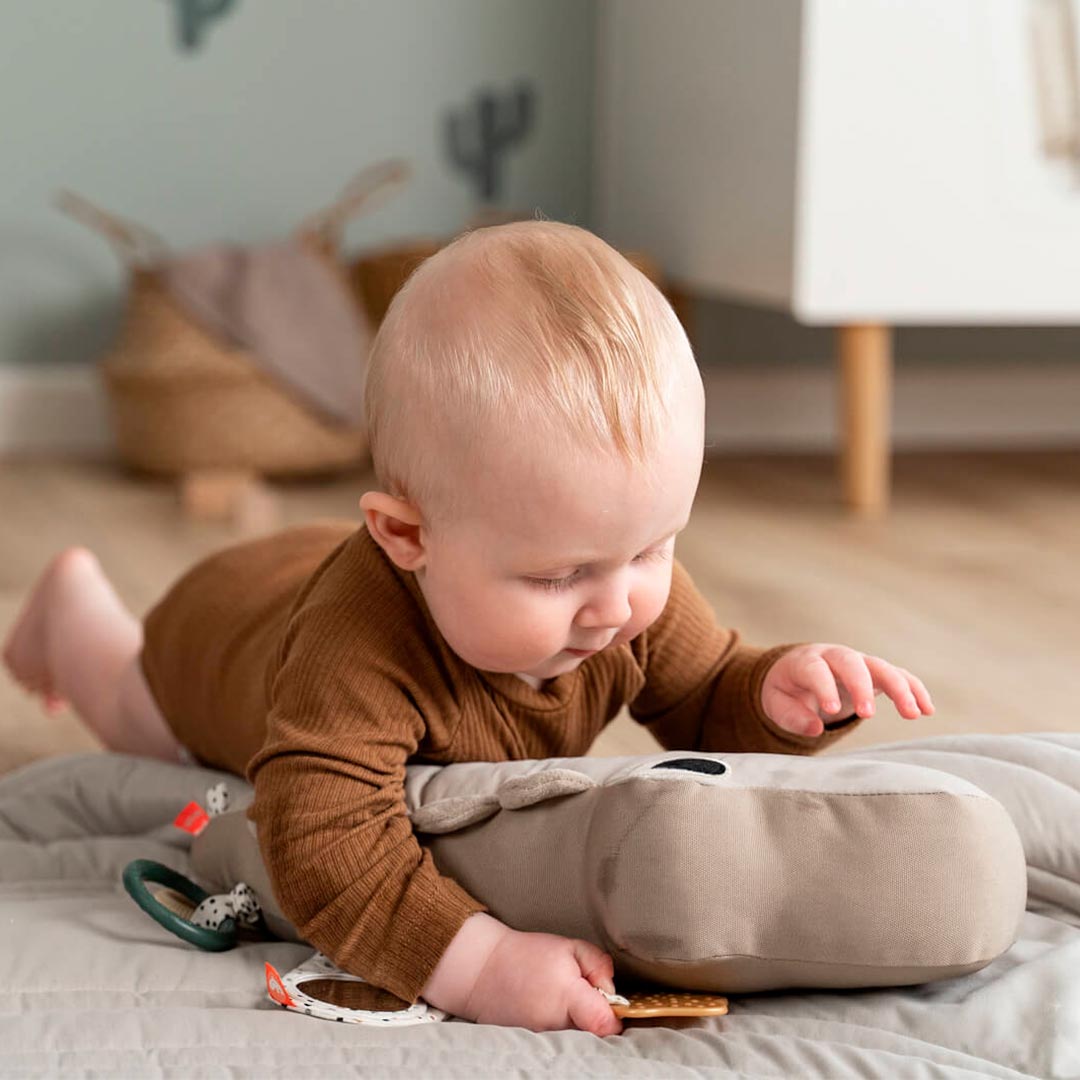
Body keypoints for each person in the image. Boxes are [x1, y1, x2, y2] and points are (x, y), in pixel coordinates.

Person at [2, 220, 934, 1037]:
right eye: (561, 574)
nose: (617, 606)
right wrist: (479, 964)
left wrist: (776, 694)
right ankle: (70, 607)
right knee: (142, 719)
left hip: (322, 560)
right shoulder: (353, 654)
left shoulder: (619, 588)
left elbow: (703, 699)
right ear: (408, 538)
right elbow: (321, 842)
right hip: (221, 634)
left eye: (655, 547)